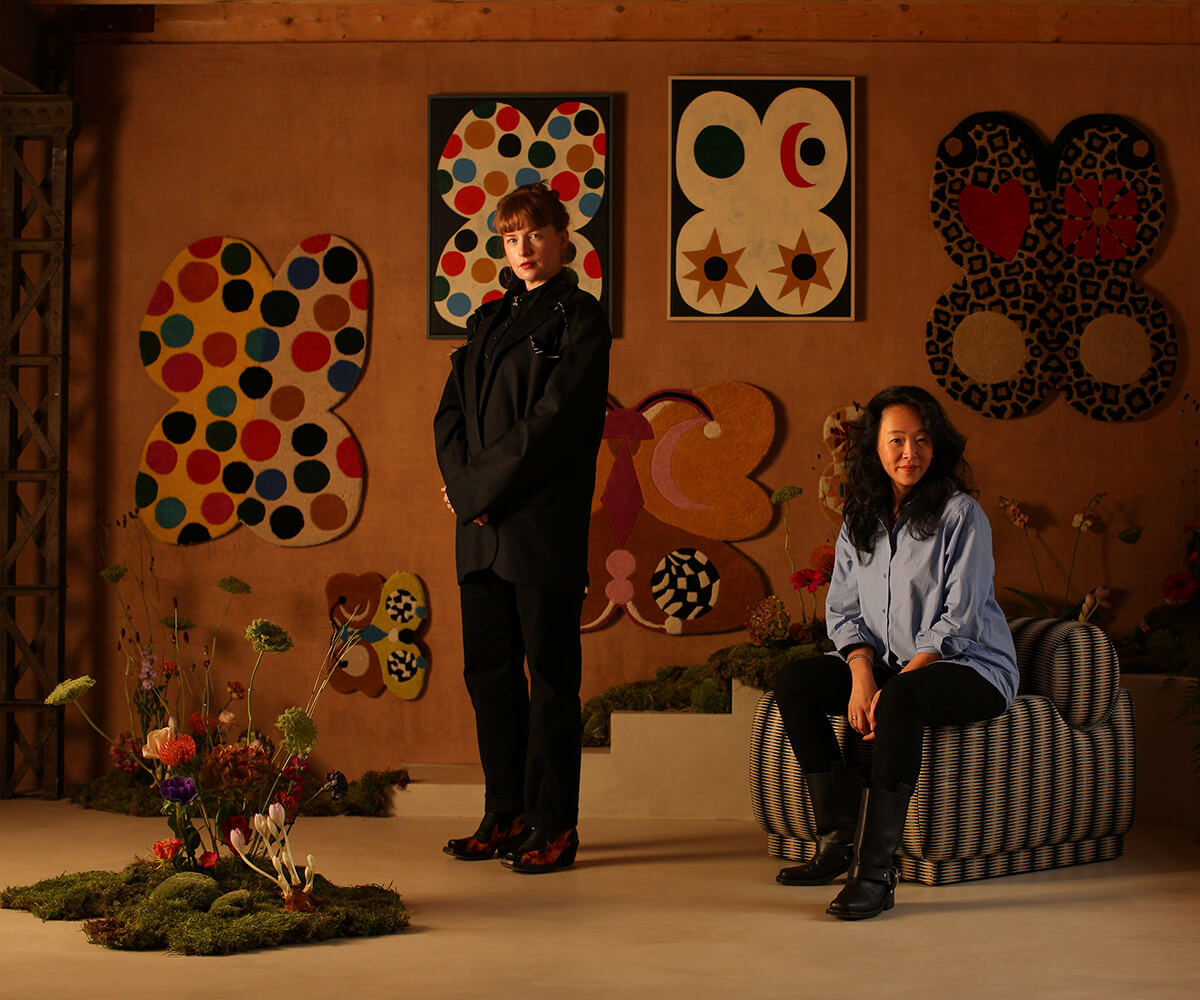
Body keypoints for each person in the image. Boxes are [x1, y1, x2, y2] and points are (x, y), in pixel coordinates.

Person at [771, 385, 1018, 919]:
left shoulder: (961, 514)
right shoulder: (858, 519)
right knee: (795, 682)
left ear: (938, 446)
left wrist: (896, 684)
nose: (910, 453)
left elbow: (960, 618)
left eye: (922, 440)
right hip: (887, 666)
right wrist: (862, 675)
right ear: (876, 447)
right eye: (897, 440)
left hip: (969, 667)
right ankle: (836, 840)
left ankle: (875, 874)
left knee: (902, 697)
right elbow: (843, 611)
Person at [433, 182, 611, 874]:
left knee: (551, 683)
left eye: (535, 235)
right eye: (511, 239)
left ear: (563, 238)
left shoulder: (581, 318)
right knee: (489, 676)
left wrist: (479, 490)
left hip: (539, 526)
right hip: (480, 530)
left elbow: (555, 423)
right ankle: (503, 812)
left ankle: (552, 824)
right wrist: (466, 491)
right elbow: (450, 415)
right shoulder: (488, 319)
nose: (524, 249)